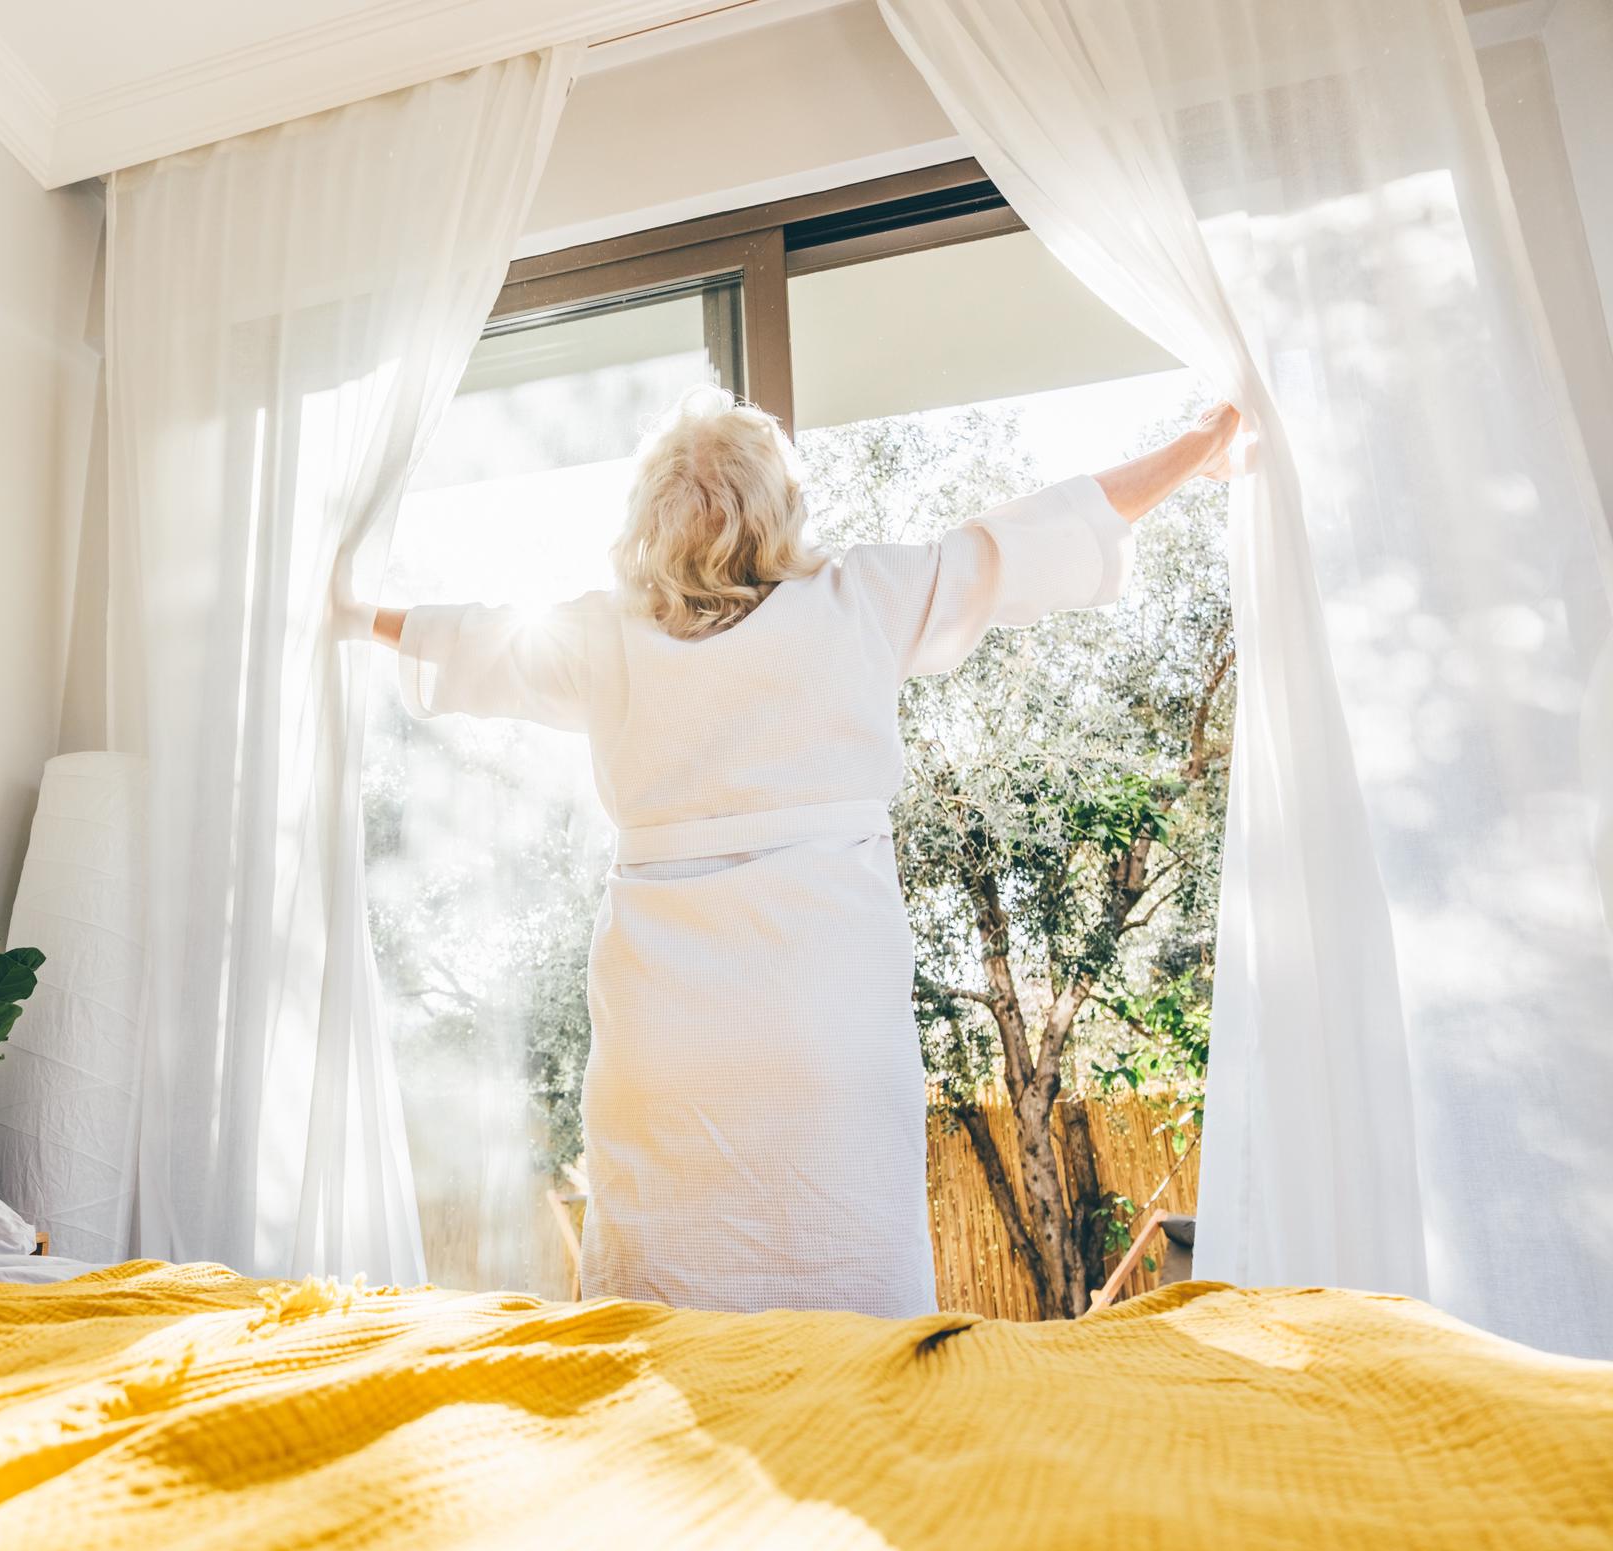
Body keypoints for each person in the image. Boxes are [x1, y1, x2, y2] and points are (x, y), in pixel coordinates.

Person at [354, 387, 1242, 1316]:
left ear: (647, 521)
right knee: (852, 1309)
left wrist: (340, 610)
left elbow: (460, 636)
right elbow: (1030, 539)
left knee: (668, 1318)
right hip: (829, 1025)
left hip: (666, 1041)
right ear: (780, 507)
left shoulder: (603, 637)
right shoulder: (862, 599)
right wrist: (1199, 445)